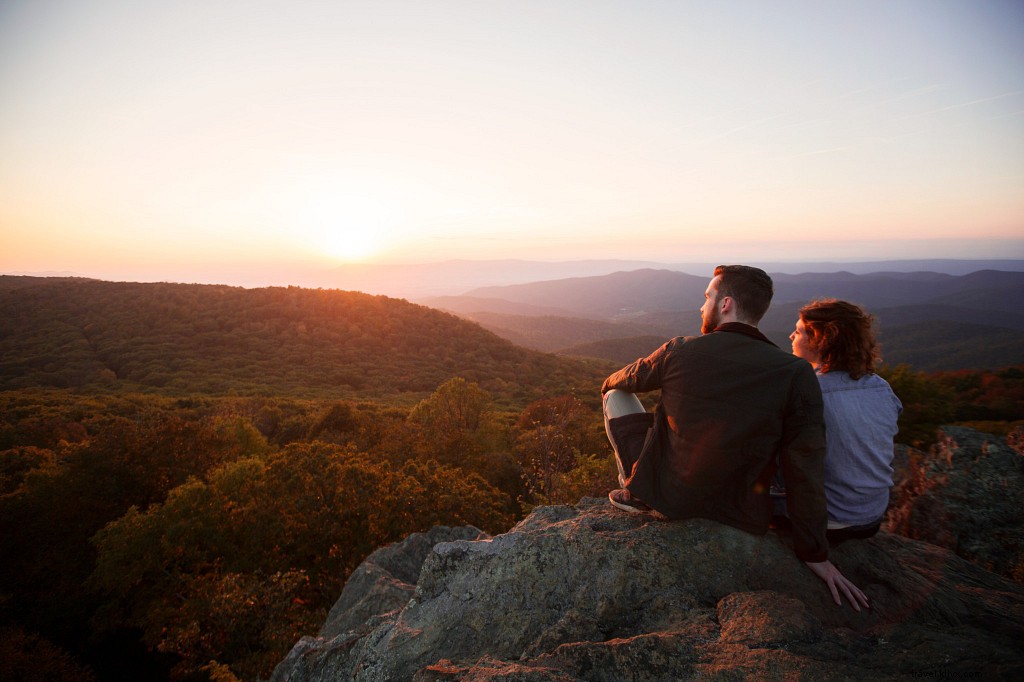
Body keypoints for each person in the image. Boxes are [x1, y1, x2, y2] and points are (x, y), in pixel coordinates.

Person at [602, 265, 869, 611]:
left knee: (615, 397)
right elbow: (804, 465)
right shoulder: (796, 372)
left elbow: (615, 382)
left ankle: (635, 486)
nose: (702, 307)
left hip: (671, 501)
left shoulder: (678, 350)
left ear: (725, 304)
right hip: (741, 512)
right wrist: (814, 552)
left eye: (707, 298)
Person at [788, 298, 902, 544]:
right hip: (871, 516)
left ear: (820, 339)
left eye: (798, 332)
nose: (791, 336)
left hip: (830, 520)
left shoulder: (808, 392)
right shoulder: (881, 388)